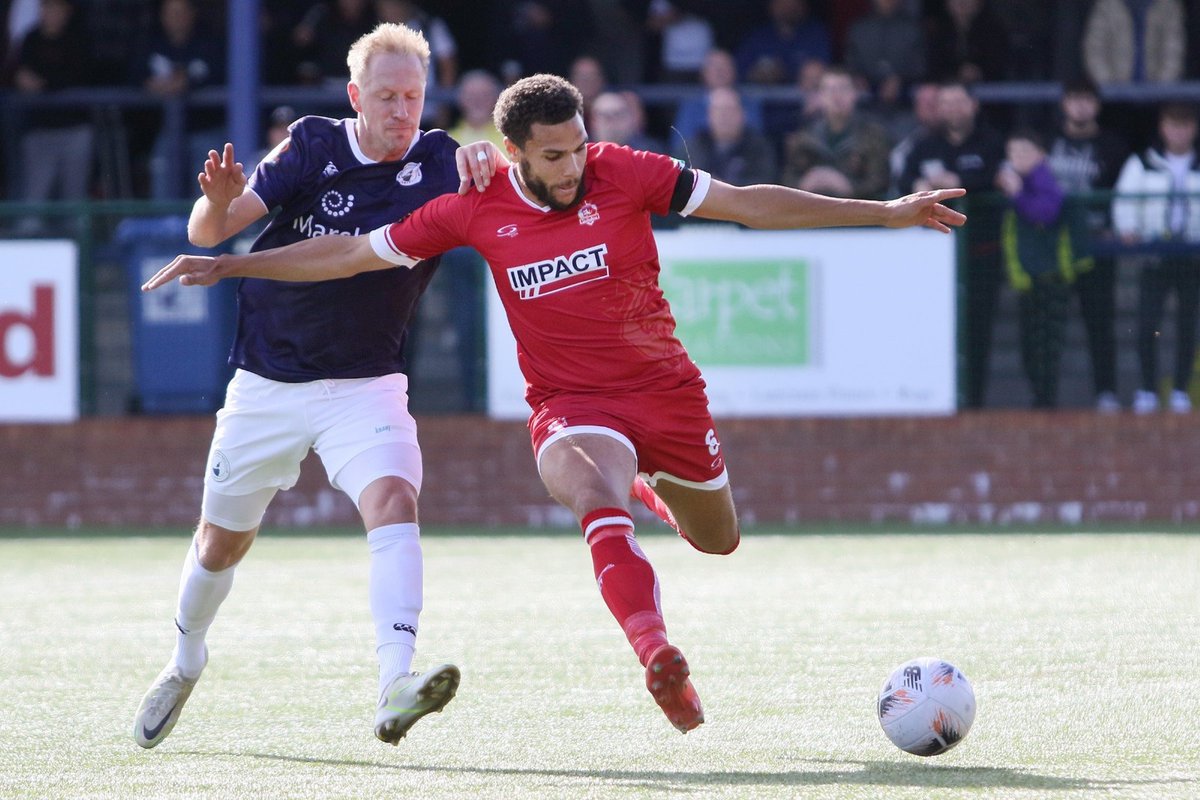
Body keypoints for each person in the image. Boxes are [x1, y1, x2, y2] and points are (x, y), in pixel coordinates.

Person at [142, 73, 967, 734]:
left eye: (576, 149)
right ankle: (657, 655)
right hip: (571, 406)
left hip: (667, 394)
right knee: (590, 494)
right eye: (552, 157)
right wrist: (233, 264)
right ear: (515, 154)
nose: (571, 168)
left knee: (718, 540)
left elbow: (749, 202)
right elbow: (351, 253)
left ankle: (647, 486)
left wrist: (884, 214)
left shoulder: (626, 171)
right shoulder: (474, 208)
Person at [130, 23, 502, 751]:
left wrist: (489, 152)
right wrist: (216, 203)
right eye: (387, 96)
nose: (402, 111)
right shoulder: (310, 144)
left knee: (394, 500)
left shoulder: (441, 161)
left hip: (367, 383)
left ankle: (395, 683)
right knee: (220, 544)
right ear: (355, 96)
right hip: (268, 381)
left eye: (414, 97)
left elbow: (516, 183)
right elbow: (209, 232)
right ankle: (185, 659)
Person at [898, 80, 1005, 408]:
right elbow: (904, 182)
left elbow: (996, 179)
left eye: (959, 101)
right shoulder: (923, 145)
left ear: (973, 105)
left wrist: (958, 184)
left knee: (977, 330)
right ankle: (934, 399)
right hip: (933, 258)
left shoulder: (991, 142)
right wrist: (918, 185)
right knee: (932, 327)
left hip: (981, 254)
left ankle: (973, 402)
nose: (953, 109)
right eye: (945, 102)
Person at [1045, 78, 1129, 412]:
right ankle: (1045, 396)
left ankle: (1106, 393)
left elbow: (1124, 195)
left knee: (1100, 322)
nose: (1080, 106)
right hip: (1054, 246)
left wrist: (1115, 228)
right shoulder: (1046, 141)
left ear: (1097, 105)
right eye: (1074, 99)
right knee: (1049, 324)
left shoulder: (1114, 146)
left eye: (1087, 99)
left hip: (1096, 246)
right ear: (1064, 104)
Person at [1112, 102, 1200, 414]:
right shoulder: (1142, 162)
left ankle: (1180, 391)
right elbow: (1124, 201)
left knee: (1188, 325)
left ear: (1193, 129)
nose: (1179, 132)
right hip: (1154, 255)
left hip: (1192, 256)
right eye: (1173, 125)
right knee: (1148, 324)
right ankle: (1148, 390)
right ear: (1163, 128)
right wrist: (1128, 229)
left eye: (1185, 125)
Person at [996, 129, 1072, 409]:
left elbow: (1045, 213)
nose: (1018, 158)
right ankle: (1039, 399)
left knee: (1045, 345)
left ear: (1041, 155)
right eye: (1013, 153)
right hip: (1027, 277)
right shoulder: (1014, 182)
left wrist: (1017, 194)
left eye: (1024, 152)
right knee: (1030, 345)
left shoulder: (1044, 181)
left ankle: (1045, 401)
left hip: (1049, 276)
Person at [10, 0, 94, 235]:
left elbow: (78, 75)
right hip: (39, 132)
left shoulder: (78, 40)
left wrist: (44, 82)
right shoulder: (30, 39)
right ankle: (27, 253)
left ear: (67, 12)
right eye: (47, 8)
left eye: (57, 8)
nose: (52, 13)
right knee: (32, 209)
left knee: (74, 208)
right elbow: (18, 75)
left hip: (75, 131)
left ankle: (79, 253)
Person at [780, 66, 892, 199]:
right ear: (820, 96)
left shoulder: (873, 136)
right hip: (813, 207)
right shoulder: (805, 137)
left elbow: (881, 182)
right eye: (829, 90)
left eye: (843, 89)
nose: (836, 96)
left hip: (858, 208)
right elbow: (788, 178)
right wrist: (804, 184)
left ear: (855, 94)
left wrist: (849, 187)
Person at [672, 86, 778, 187]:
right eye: (719, 111)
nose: (724, 117)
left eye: (730, 110)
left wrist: (724, 189)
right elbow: (679, 183)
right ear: (709, 116)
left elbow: (765, 182)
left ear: (743, 115)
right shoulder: (691, 148)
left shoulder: (759, 148)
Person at [1082, 0, 1185, 85]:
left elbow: (1173, 50)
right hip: (1112, 94)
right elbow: (1095, 49)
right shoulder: (1107, 5)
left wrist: (1162, 88)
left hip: (1160, 93)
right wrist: (1109, 86)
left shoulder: (1168, 6)